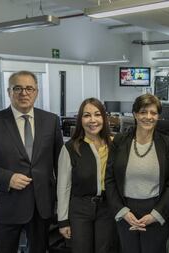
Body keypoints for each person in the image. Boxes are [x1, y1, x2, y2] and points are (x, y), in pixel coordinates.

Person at [0, 71, 63, 253]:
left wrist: (61, 200)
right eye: (17, 88)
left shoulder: (50, 121)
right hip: (6, 204)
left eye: (29, 88)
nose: (24, 93)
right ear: (9, 91)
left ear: (36, 92)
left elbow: (59, 164)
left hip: (41, 205)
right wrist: (7, 178)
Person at [105, 94, 169, 253]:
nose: (148, 117)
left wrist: (156, 214)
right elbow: (109, 179)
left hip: (156, 210)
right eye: (143, 112)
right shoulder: (119, 141)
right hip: (126, 211)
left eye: (153, 113)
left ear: (158, 115)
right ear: (135, 114)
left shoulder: (168, 144)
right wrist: (123, 212)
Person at [57, 98, 119, 253]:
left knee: (104, 249)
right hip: (80, 208)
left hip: (107, 207)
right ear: (80, 119)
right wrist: (63, 221)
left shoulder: (114, 144)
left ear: (104, 118)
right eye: (87, 115)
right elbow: (63, 187)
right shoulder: (70, 148)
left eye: (97, 115)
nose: (93, 120)